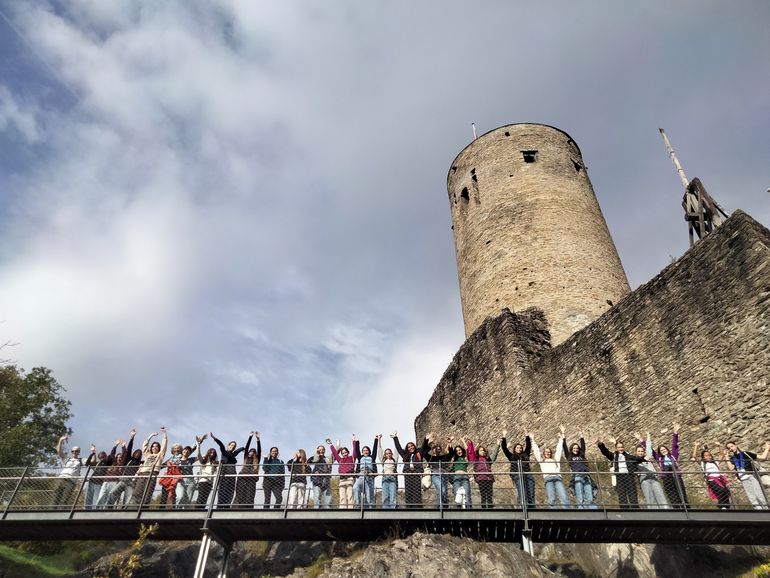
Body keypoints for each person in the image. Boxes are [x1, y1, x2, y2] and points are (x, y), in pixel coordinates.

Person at [650, 423, 688, 509]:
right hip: (667, 477)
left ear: (667, 449)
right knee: (671, 494)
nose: (663, 451)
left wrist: (675, 433)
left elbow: (675, 445)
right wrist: (642, 440)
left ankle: (686, 507)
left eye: (664, 449)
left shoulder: (673, 455)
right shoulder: (659, 458)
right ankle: (676, 508)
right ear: (660, 452)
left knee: (681, 492)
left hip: (676, 475)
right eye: (661, 450)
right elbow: (651, 451)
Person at [597, 435, 639, 509]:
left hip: (629, 476)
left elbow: (637, 459)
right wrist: (600, 444)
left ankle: (635, 509)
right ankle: (624, 510)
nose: (620, 449)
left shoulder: (628, 456)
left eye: (622, 447)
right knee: (622, 494)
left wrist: (644, 458)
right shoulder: (614, 456)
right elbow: (606, 452)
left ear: (624, 447)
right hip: (619, 477)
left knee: (632, 493)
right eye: (619, 447)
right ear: (616, 448)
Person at [210, 432, 250, 509]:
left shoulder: (233, 454)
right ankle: (219, 508)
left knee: (230, 493)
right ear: (228, 446)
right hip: (224, 475)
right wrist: (215, 438)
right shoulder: (224, 452)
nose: (233, 446)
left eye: (234, 446)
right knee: (222, 492)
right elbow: (221, 445)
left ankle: (227, 507)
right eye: (231, 445)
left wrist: (244, 447)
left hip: (232, 476)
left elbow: (239, 450)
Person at [725, 441, 768, 509]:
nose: (731, 448)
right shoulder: (732, 458)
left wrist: (767, 448)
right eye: (729, 448)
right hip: (743, 479)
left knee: (759, 494)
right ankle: (758, 510)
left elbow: (763, 457)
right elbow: (731, 468)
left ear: (735, 445)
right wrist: (727, 457)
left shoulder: (745, 453)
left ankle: (766, 510)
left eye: (732, 446)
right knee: (752, 497)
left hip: (751, 476)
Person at [531, 431, 569, 508]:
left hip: (557, 478)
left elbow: (559, 450)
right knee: (552, 498)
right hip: (548, 479)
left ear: (551, 453)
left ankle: (567, 511)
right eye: (546, 452)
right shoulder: (541, 461)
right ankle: (554, 512)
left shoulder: (555, 459)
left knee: (563, 496)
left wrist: (561, 439)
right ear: (544, 453)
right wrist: (532, 440)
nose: (548, 453)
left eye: (549, 452)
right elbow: (536, 452)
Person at [130, 428, 168, 506]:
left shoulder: (160, 455)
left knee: (148, 493)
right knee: (137, 492)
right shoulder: (147, 454)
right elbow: (144, 445)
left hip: (152, 474)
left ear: (159, 448)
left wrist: (164, 433)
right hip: (142, 474)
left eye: (156, 446)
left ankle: (144, 509)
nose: (154, 447)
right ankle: (133, 508)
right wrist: (151, 435)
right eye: (153, 446)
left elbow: (164, 446)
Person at [562, 426, 596, 509]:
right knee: (579, 495)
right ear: (571, 449)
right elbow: (564, 447)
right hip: (577, 476)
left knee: (589, 494)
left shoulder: (581, 455)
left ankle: (593, 510)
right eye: (574, 448)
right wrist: (563, 434)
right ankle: (581, 510)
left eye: (577, 448)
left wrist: (580, 433)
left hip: (586, 475)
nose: (576, 449)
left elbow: (583, 445)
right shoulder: (569, 456)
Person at [633, 432, 670, 509]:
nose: (640, 453)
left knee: (660, 495)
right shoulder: (634, 461)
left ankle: (666, 510)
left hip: (654, 478)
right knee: (649, 498)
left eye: (642, 451)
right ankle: (654, 513)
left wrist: (647, 437)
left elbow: (649, 448)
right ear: (636, 452)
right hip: (644, 480)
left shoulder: (647, 458)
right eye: (639, 451)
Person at [501, 428, 535, 509]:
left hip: (527, 474)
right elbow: (504, 448)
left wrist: (526, 435)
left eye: (520, 448)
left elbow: (528, 445)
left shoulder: (526, 454)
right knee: (523, 491)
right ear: (515, 449)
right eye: (517, 448)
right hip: (517, 475)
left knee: (531, 492)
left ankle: (533, 508)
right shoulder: (511, 456)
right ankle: (525, 508)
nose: (519, 449)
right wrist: (504, 436)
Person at [693, 441, 731, 509]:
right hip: (712, 480)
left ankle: (726, 507)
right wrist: (696, 446)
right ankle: (721, 505)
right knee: (721, 490)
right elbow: (694, 456)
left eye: (709, 455)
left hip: (720, 479)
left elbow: (721, 455)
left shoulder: (715, 462)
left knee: (726, 492)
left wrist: (719, 446)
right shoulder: (703, 463)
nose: (709, 457)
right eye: (706, 456)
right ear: (703, 457)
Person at [108, 429, 139, 507]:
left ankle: (124, 510)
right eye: (136, 452)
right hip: (123, 479)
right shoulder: (129, 459)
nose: (137, 454)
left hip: (131, 482)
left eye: (139, 453)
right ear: (134, 453)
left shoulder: (140, 463)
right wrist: (132, 437)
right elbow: (129, 448)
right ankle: (109, 507)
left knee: (127, 499)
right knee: (113, 493)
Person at [466, 435, 500, 509]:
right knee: (483, 495)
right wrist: (470, 443)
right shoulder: (476, 459)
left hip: (489, 479)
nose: (483, 452)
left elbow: (494, 455)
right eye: (481, 450)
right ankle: (484, 508)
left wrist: (498, 445)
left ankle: (490, 508)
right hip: (481, 478)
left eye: (483, 450)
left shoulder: (488, 459)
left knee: (490, 495)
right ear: (478, 452)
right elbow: (471, 453)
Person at [392, 432, 423, 508]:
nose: (410, 447)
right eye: (409, 447)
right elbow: (399, 448)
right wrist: (395, 438)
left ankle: (417, 508)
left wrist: (426, 440)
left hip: (416, 474)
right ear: (407, 448)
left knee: (417, 491)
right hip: (408, 475)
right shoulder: (405, 455)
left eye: (412, 446)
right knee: (409, 491)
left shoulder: (418, 453)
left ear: (414, 446)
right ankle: (409, 508)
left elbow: (424, 447)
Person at [97, 437, 130, 508]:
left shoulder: (121, 465)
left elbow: (124, 454)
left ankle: (107, 510)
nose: (119, 458)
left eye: (120, 457)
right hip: (106, 482)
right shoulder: (112, 463)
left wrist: (123, 446)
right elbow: (112, 454)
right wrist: (115, 446)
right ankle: (98, 509)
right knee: (101, 497)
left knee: (110, 498)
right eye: (117, 457)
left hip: (114, 482)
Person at [421, 433, 451, 509]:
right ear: (433, 449)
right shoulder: (430, 457)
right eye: (435, 448)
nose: (437, 450)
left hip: (444, 475)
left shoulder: (443, 457)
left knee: (443, 492)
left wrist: (450, 443)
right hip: (435, 475)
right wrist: (426, 440)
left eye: (439, 448)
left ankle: (444, 507)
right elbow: (423, 452)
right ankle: (440, 507)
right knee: (442, 490)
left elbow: (451, 454)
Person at [85, 441, 118, 510]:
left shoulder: (107, 463)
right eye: (100, 457)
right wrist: (92, 453)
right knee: (88, 500)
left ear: (105, 456)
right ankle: (86, 512)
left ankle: (94, 513)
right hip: (91, 482)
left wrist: (115, 446)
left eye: (103, 457)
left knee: (96, 500)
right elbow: (87, 464)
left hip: (99, 483)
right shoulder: (97, 463)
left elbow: (112, 454)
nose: (101, 458)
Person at [54, 434, 82, 507]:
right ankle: (51, 512)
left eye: (76, 451)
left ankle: (62, 513)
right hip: (62, 478)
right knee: (55, 498)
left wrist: (93, 452)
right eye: (72, 451)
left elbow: (91, 461)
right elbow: (59, 452)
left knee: (64, 500)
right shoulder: (68, 459)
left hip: (71, 481)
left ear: (79, 452)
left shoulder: (81, 460)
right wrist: (60, 441)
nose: (74, 452)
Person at [234, 432, 261, 508]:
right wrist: (250, 437)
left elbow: (259, 450)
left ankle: (248, 509)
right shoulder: (245, 458)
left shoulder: (256, 460)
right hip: (242, 478)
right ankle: (236, 508)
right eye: (250, 451)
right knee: (240, 495)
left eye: (253, 451)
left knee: (249, 496)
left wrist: (258, 440)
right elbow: (247, 447)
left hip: (251, 479)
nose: (252, 452)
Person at [352, 434, 379, 508]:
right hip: (361, 476)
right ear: (362, 452)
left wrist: (376, 439)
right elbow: (357, 450)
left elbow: (375, 449)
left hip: (369, 476)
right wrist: (357, 441)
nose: (365, 451)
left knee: (369, 494)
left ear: (369, 451)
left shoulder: (372, 457)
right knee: (355, 487)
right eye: (364, 450)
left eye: (366, 450)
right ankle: (358, 505)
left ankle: (370, 508)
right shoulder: (360, 457)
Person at [329, 439, 355, 508]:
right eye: (343, 453)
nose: (344, 454)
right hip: (342, 479)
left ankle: (351, 509)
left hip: (349, 478)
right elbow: (335, 453)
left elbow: (354, 451)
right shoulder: (340, 460)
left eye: (345, 452)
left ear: (348, 452)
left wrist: (353, 442)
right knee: (342, 496)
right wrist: (331, 445)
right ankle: (343, 508)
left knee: (350, 495)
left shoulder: (351, 458)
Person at [308, 443, 333, 509]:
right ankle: (316, 511)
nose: (321, 451)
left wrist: (332, 444)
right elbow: (311, 461)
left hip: (326, 480)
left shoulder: (327, 458)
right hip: (317, 480)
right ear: (317, 450)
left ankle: (328, 511)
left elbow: (335, 453)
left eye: (323, 449)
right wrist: (317, 453)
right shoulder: (314, 457)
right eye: (320, 449)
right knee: (317, 497)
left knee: (328, 499)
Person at [195, 438, 218, 508]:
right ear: (208, 452)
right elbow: (198, 454)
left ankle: (202, 512)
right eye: (211, 452)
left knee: (205, 499)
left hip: (210, 483)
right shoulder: (204, 461)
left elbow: (216, 472)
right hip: (203, 480)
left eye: (213, 453)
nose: (212, 454)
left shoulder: (215, 463)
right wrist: (199, 444)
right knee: (200, 498)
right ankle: (195, 511)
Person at [450, 438, 472, 508]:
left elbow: (467, 449)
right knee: (457, 495)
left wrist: (463, 441)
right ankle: (459, 511)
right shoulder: (454, 459)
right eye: (457, 451)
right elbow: (450, 451)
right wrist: (450, 442)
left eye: (459, 450)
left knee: (467, 494)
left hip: (464, 477)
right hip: (456, 477)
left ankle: (469, 510)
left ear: (462, 450)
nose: (458, 451)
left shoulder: (465, 458)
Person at [378, 444, 398, 509]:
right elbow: (380, 453)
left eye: (389, 453)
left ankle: (393, 510)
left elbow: (396, 451)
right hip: (385, 479)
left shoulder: (394, 460)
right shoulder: (383, 461)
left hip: (392, 479)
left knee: (393, 495)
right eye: (386, 454)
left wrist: (395, 439)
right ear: (385, 455)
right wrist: (379, 441)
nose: (388, 455)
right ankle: (385, 510)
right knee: (385, 496)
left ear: (391, 454)